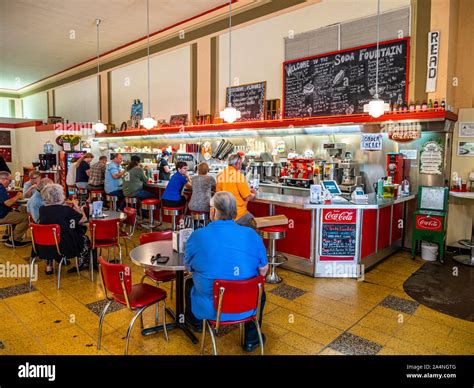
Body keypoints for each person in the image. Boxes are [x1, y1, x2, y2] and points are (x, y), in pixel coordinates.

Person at [184, 191, 268, 352]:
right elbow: (263, 270)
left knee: (189, 283)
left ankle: (195, 324)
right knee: (259, 291)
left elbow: (188, 268)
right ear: (234, 212)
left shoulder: (197, 236)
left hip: (211, 308)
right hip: (247, 306)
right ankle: (251, 339)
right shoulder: (251, 234)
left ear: (213, 211)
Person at [39, 184, 91, 274]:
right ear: (59, 196)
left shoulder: (42, 209)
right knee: (85, 238)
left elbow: (55, 213)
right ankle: (83, 262)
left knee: (51, 236)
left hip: (44, 244)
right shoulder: (65, 209)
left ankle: (49, 265)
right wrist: (78, 207)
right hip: (64, 245)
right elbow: (84, 219)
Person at [216, 154, 257, 227]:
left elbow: (218, 195)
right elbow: (247, 197)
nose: (241, 166)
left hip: (224, 214)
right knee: (255, 225)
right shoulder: (239, 176)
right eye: (241, 164)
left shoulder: (220, 176)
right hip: (238, 214)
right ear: (237, 164)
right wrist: (254, 195)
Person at [0, 171, 30, 247]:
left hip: (3, 212)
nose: (9, 183)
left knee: (20, 209)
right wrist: (17, 196)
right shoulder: (1, 188)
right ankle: (14, 239)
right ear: (4, 179)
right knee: (26, 218)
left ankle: (7, 235)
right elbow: (7, 203)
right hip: (2, 216)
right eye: (9, 180)